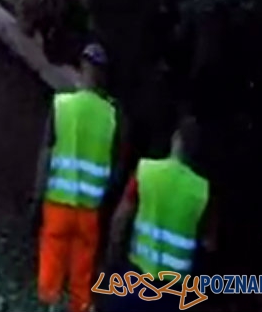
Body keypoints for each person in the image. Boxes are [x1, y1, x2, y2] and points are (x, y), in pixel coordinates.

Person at [34, 42, 126, 312]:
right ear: (104, 75)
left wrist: (36, 197)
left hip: (58, 203)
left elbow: (46, 155)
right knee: (81, 274)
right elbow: (118, 169)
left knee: (51, 266)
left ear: (82, 67)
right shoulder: (114, 116)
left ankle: (46, 306)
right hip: (90, 210)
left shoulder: (63, 104)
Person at [100, 116, 217, 311]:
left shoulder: (145, 171)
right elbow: (209, 245)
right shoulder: (204, 193)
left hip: (136, 278)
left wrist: (112, 259)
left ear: (175, 140)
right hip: (173, 292)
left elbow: (120, 219)